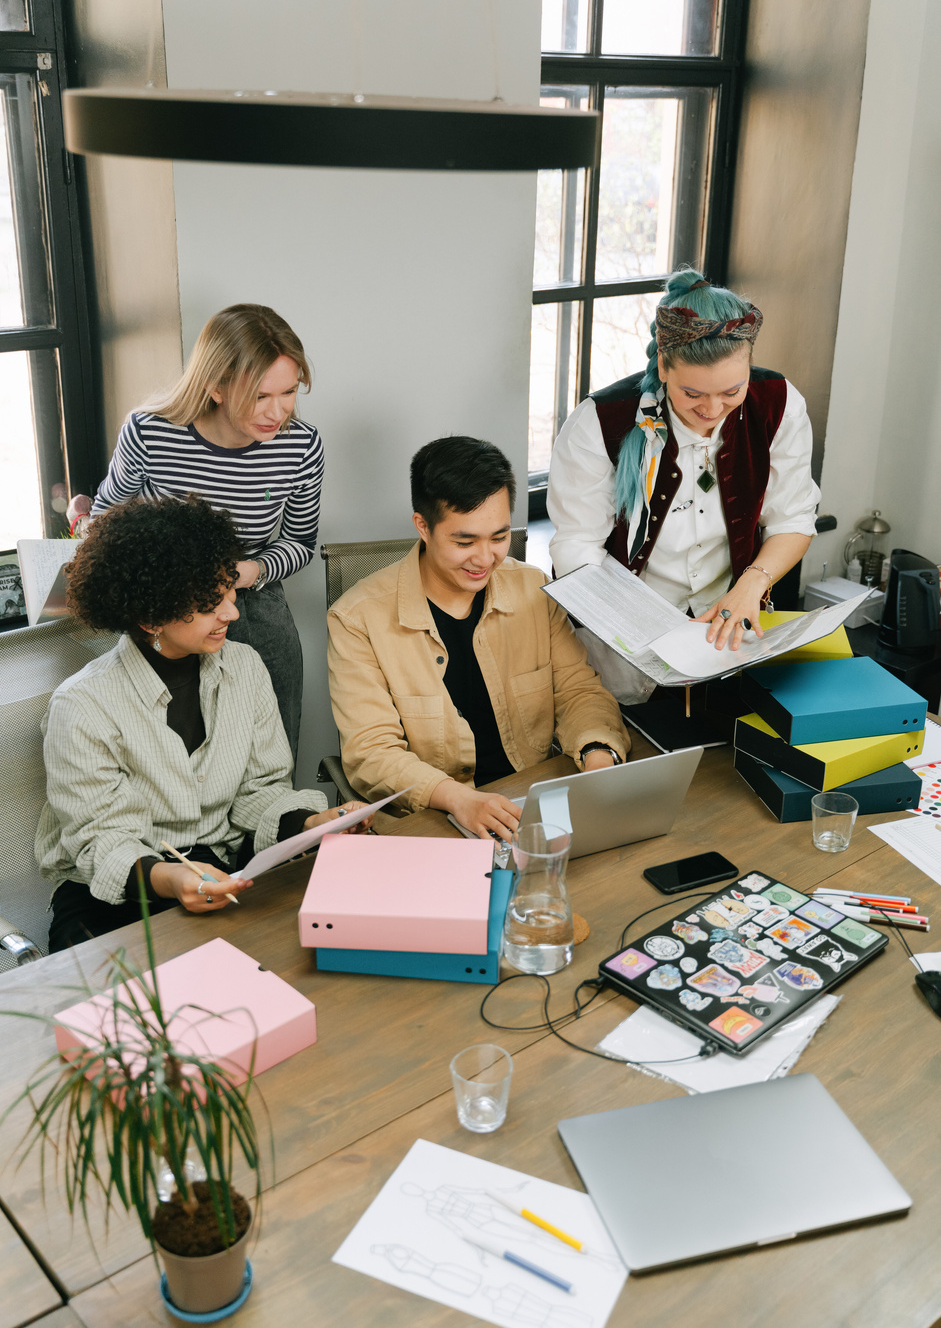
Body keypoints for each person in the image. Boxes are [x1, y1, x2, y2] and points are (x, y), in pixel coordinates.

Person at [37, 496, 368, 952]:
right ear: (151, 614)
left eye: (229, 591)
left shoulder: (245, 667)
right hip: (120, 890)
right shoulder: (83, 705)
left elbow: (261, 791)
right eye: (211, 603)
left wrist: (314, 821)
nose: (231, 612)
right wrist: (174, 879)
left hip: (217, 869)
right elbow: (102, 842)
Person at [326, 436, 630, 841]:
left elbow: (579, 692)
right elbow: (372, 752)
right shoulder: (356, 619)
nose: (485, 558)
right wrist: (457, 798)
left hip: (531, 805)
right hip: (431, 823)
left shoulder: (532, 590)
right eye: (464, 542)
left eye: (499, 537)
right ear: (423, 526)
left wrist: (597, 758)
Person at [547, 268, 820, 702]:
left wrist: (750, 586)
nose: (712, 410)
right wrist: (639, 624)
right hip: (624, 646)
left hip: (731, 635)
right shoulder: (599, 422)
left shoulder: (779, 403)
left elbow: (793, 519)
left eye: (732, 391)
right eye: (692, 394)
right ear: (662, 365)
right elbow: (577, 545)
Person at [74, 303, 323, 761]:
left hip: (253, 597)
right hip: (166, 606)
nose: (278, 412)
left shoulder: (302, 446)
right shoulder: (150, 432)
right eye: (260, 396)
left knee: (270, 756)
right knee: (162, 757)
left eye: (288, 392)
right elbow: (106, 521)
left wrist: (244, 574)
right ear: (216, 387)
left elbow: (301, 543)